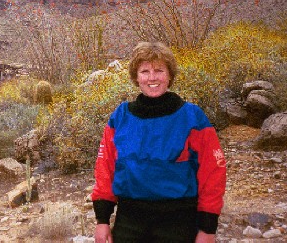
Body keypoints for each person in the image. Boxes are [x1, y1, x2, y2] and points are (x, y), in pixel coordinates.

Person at [92, 42, 226, 243]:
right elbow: (105, 167)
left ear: (169, 75)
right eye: (145, 71)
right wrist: (102, 220)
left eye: (159, 70)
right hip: (130, 220)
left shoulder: (192, 117)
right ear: (136, 78)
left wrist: (207, 228)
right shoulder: (120, 116)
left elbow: (213, 172)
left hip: (179, 220)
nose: (152, 77)